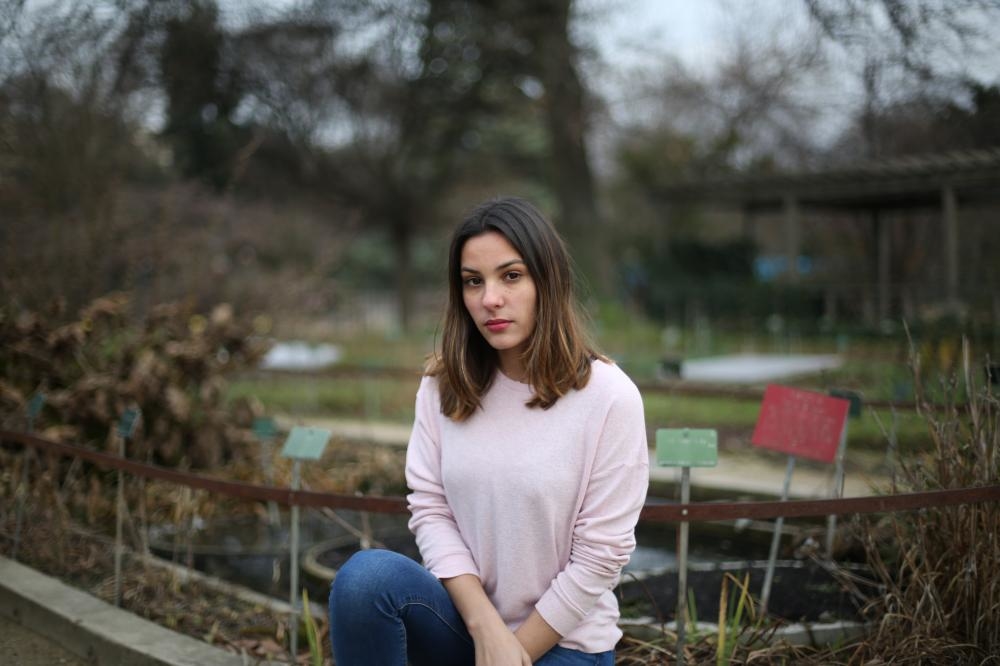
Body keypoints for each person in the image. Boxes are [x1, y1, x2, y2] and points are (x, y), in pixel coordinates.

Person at [328, 197, 649, 665]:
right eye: (473, 281)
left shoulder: (609, 397)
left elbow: (600, 556)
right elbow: (431, 509)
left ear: (547, 281)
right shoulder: (443, 386)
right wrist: (484, 627)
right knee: (366, 580)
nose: (489, 299)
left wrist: (512, 654)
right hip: (467, 627)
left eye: (511, 276)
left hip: (564, 643)